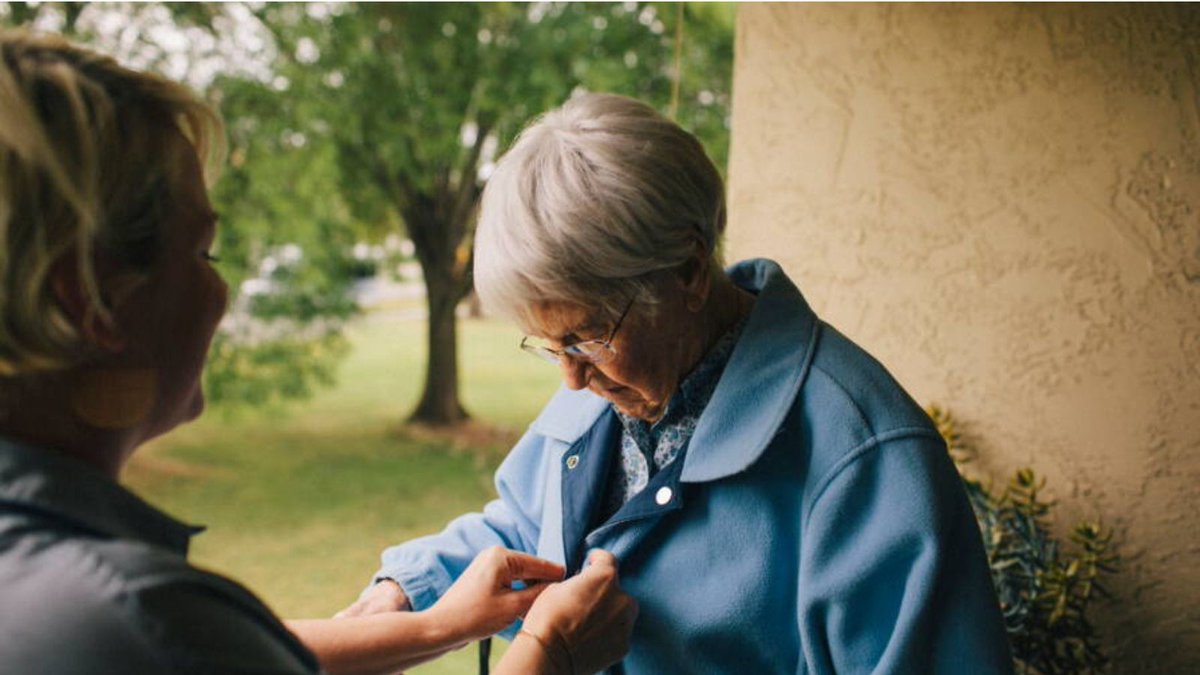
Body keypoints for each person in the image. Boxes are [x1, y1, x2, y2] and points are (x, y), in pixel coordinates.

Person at [0, 31, 636, 675]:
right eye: (203, 252)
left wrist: (434, 621)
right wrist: (548, 656)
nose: (222, 289)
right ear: (93, 302)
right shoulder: (133, 623)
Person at [342, 93, 1015, 673]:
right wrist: (412, 588)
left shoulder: (868, 462)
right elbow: (529, 525)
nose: (571, 379)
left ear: (690, 270)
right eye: (549, 346)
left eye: (585, 336)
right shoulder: (623, 368)